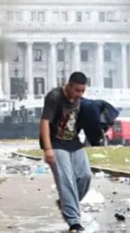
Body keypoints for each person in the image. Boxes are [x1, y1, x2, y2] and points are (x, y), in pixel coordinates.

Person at [40, 72, 92, 232]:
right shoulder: (54, 97)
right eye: (77, 90)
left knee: (86, 175)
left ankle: (65, 202)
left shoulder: (80, 100)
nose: (80, 94)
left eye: (82, 91)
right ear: (68, 86)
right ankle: (74, 222)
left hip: (73, 141)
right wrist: (48, 149)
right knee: (66, 180)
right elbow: (44, 122)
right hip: (56, 142)